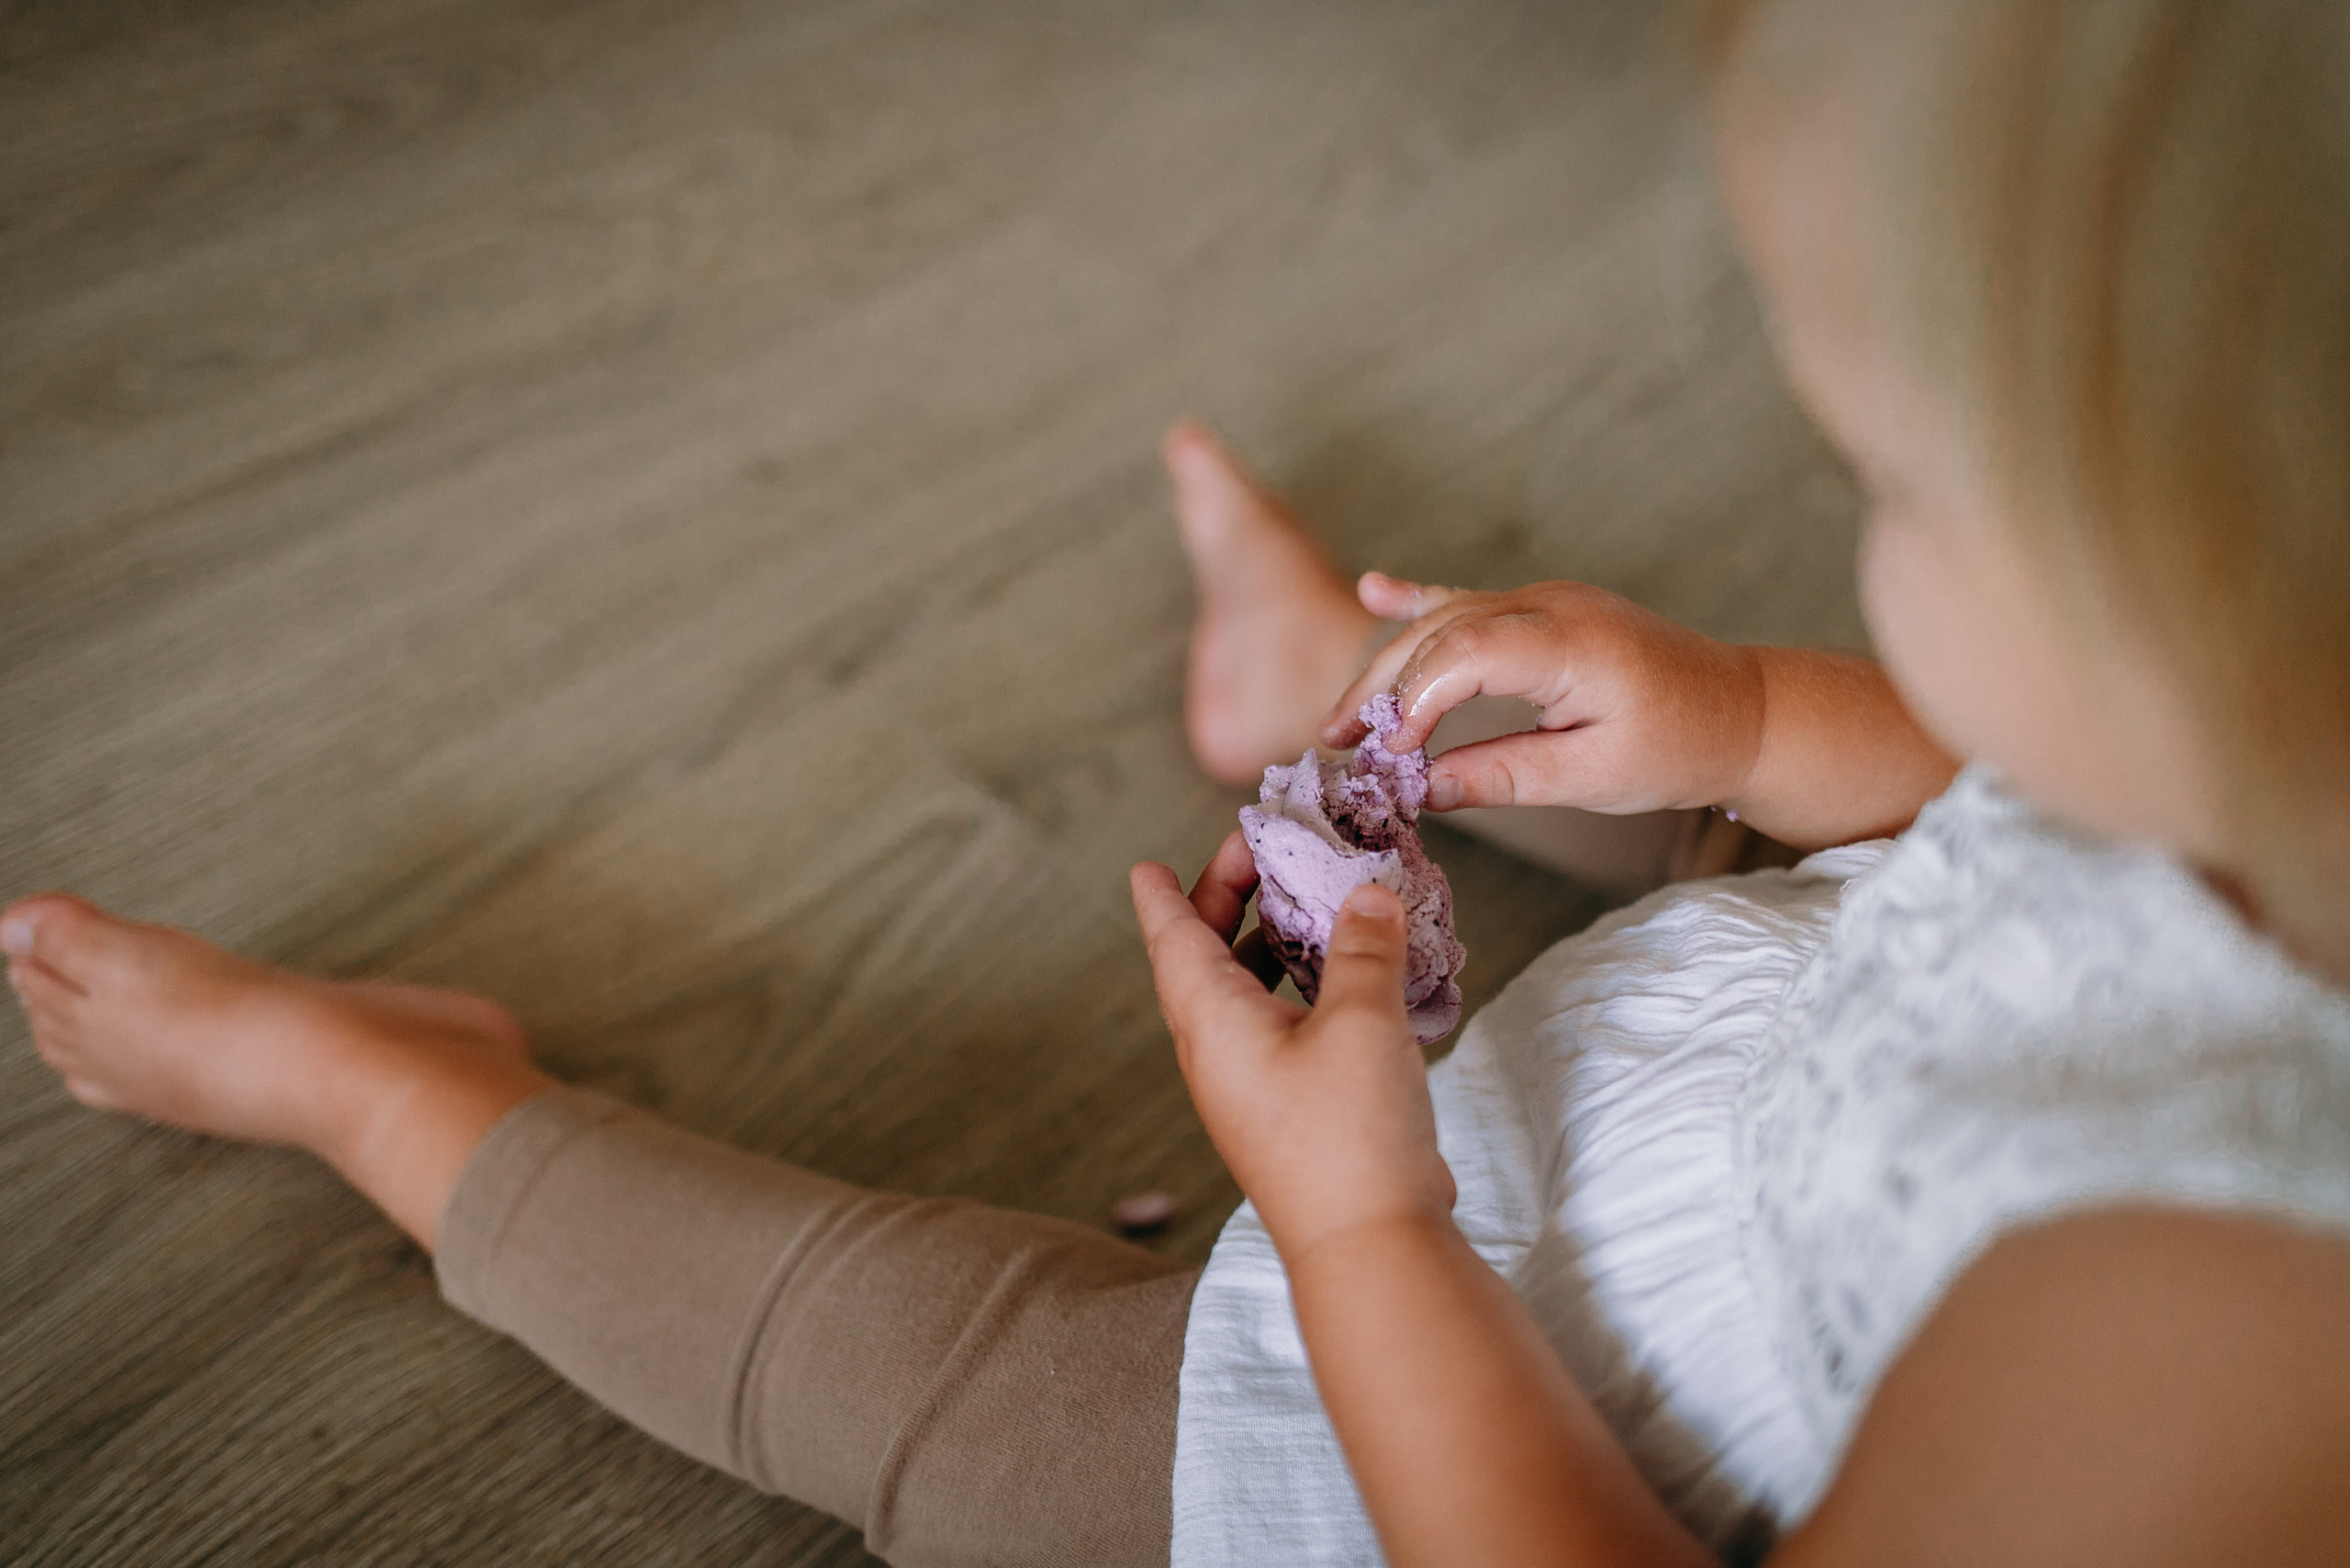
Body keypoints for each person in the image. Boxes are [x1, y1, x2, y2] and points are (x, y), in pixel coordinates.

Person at [10, 0, 2350, 1563]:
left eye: (1897, 479)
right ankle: (1323, 677)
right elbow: (1998, 812)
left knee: (932, 1391)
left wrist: (1358, 1231)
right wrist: (1742, 709)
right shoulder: (2274, 741)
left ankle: (401, 1104)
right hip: (1795, 1018)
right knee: (1617, 752)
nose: (1861, 519)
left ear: (2220, 609)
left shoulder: (2204, 1348)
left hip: (1482, 1408)